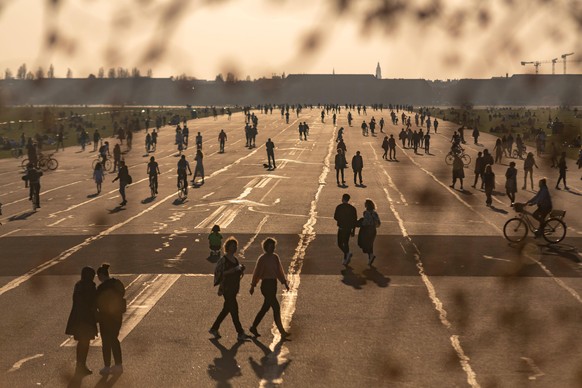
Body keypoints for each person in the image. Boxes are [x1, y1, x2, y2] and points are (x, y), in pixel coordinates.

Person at [210, 237, 251, 341]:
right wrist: (231, 271)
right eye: (232, 246)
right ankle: (240, 332)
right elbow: (219, 273)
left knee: (226, 309)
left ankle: (214, 328)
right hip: (227, 288)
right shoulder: (223, 260)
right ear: (227, 247)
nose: (234, 248)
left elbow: (238, 274)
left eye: (235, 246)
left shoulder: (235, 260)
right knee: (234, 310)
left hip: (234, 288)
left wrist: (241, 270)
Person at [249, 238, 290, 338]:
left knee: (265, 308)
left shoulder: (275, 257)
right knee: (276, 307)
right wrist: (253, 285)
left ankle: (253, 327)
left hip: (273, 284)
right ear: (266, 247)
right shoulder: (262, 258)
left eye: (273, 246)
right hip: (266, 285)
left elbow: (279, 270)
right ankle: (282, 331)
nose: (272, 248)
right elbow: (257, 272)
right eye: (270, 246)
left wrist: (284, 282)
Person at [65, 266, 98, 376]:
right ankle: (81, 365)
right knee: (85, 342)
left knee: (82, 342)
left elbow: (77, 301)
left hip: (77, 318)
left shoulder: (78, 285)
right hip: (86, 319)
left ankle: (80, 365)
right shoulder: (90, 286)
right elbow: (93, 302)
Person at [96, 263, 126, 376]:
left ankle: (107, 366)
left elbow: (97, 302)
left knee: (106, 341)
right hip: (117, 316)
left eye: (98, 276)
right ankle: (119, 365)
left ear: (101, 275)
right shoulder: (117, 283)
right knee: (114, 339)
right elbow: (122, 294)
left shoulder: (101, 288)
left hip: (105, 317)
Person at [334, 193, 357, 266]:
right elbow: (354, 220)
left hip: (341, 227)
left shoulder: (339, 207)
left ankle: (347, 254)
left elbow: (335, 217)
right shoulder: (352, 208)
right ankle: (345, 257)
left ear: (342, 199)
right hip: (348, 228)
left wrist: (341, 220)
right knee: (346, 243)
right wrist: (353, 230)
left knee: (340, 243)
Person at [357, 199, 381, 266]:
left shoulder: (366, 212)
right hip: (373, 230)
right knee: (370, 244)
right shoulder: (375, 213)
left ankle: (371, 255)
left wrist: (360, 223)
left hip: (366, 230)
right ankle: (370, 257)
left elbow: (365, 222)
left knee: (363, 243)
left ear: (367, 205)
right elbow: (378, 223)